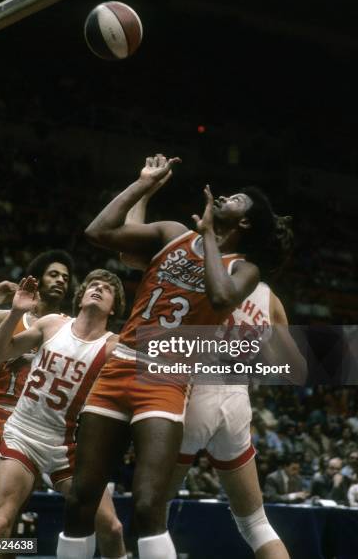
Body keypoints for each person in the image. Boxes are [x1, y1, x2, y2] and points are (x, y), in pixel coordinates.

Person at [58, 153, 281, 559]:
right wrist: (143, 183)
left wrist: (211, 236)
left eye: (235, 199)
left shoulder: (245, 270)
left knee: (148, 504)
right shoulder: (172, 233)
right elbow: (98, 231)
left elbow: (219, 297)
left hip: (168, 378)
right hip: (121, 364)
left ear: (244, 223)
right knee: (80, 500)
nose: (224, 196)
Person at [122, 159, 302, 558]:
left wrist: (145, 192)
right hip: (235, 400)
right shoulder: (267, 295)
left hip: (190, 391)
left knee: (152, 512)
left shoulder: (209, 262)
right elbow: (295, 371)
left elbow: (129, 248)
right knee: (256, 523)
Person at [0, 270, 126, 559]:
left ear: (114, 306)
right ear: (80, 296)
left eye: (106, 288)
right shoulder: (49, 323)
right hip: (14, 428)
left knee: (112, 527)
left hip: (66, 443)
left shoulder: (114, 346)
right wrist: (11, 311)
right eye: (92, 284)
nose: (97, 288)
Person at [0, 250, 74, 538]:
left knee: (9, 517)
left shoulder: (71, 328)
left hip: (34, 423)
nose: (60, 281)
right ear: (38, 278)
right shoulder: (6, 317)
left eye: (65, 277)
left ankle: (5, 555)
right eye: (53, 274)